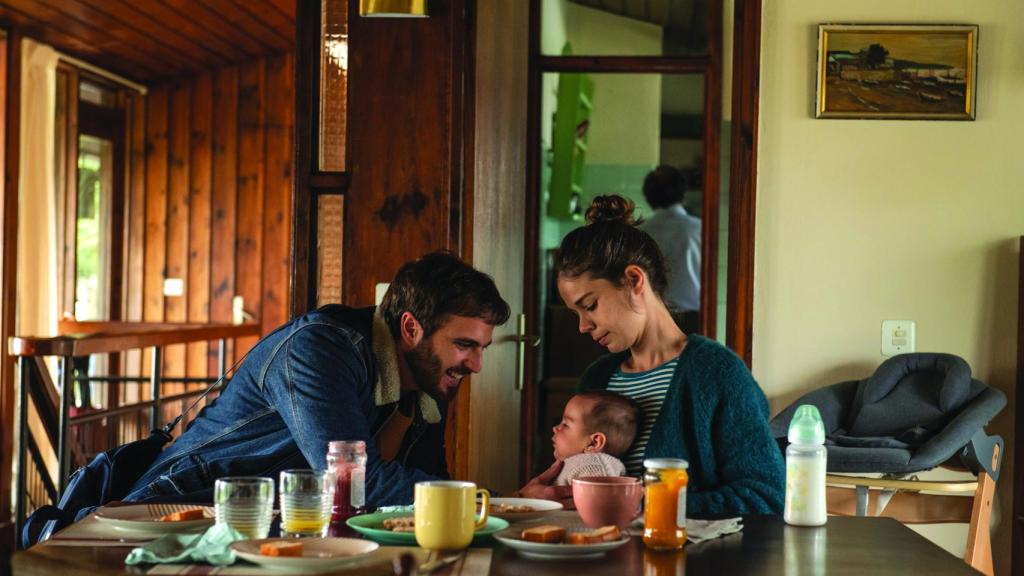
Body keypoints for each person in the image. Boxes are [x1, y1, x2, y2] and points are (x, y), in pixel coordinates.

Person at [124, 251, 510, 508]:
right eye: (465, 345)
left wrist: (498, 503)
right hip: (177, 508)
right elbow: (355, 482)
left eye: (482, 348)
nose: (476, 365)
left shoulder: (431, 377)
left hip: (268, 522)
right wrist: (491, 503)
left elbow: (424, 488)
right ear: (411, 328)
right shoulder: (320, 350)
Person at [519, 195, 783, 516]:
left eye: (589, 306)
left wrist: (645, 503)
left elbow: (766, 496)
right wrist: (539, 497)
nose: (583, 326)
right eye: (577, 313)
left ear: (634, 280)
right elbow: (577, 482)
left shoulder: (716, 373)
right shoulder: (597, 379)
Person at [640, 165, 701, 333]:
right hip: (696, 320)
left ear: (648, 197)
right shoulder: (701, 230)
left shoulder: (640, 232)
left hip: (651, 319)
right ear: (683, 194)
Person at [550, 391, 638, 486]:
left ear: (594, 443)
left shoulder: (594, 468)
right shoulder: (574, 464)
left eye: (565, 425)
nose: (555, 428)